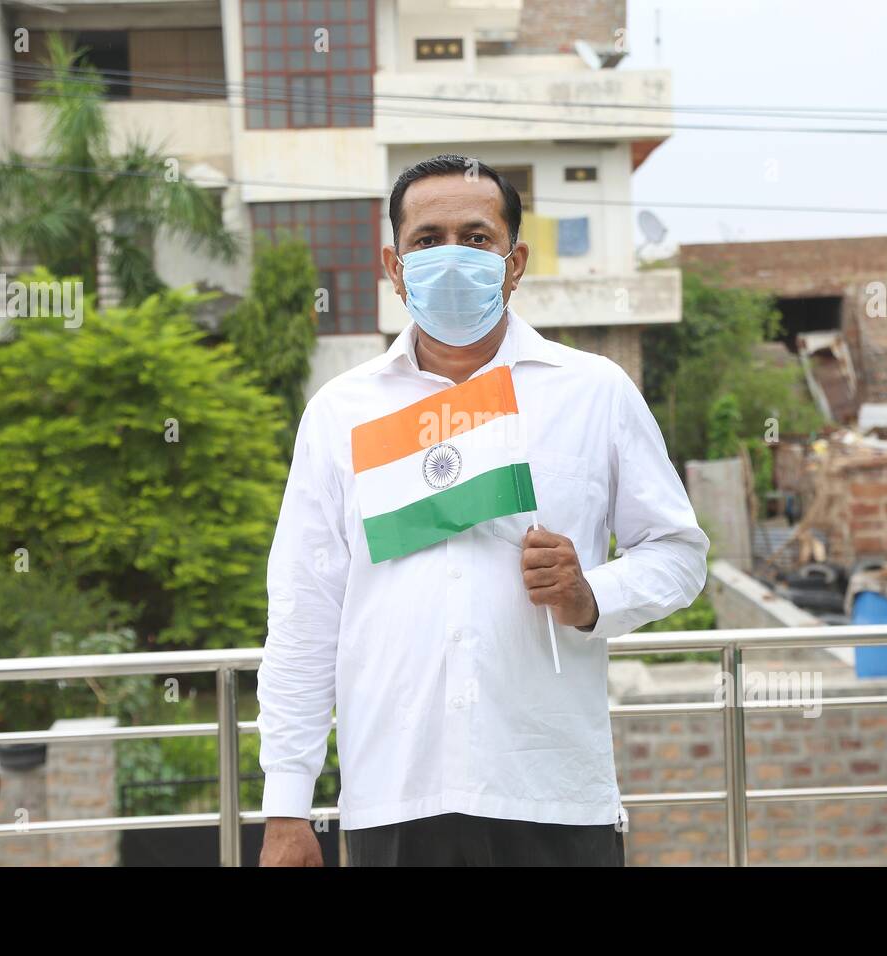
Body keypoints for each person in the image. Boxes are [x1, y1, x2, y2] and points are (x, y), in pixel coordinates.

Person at [257, 154, 710, 867]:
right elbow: (304, 614)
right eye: (427, 239)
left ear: (515, 260)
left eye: (476, 238)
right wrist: (287, 807)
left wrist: (593, 592)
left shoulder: (593, 391)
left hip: (551, 790)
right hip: (396, 795)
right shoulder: (339, 413)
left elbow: (679, 555)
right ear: (393, 265)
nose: (452, 256)